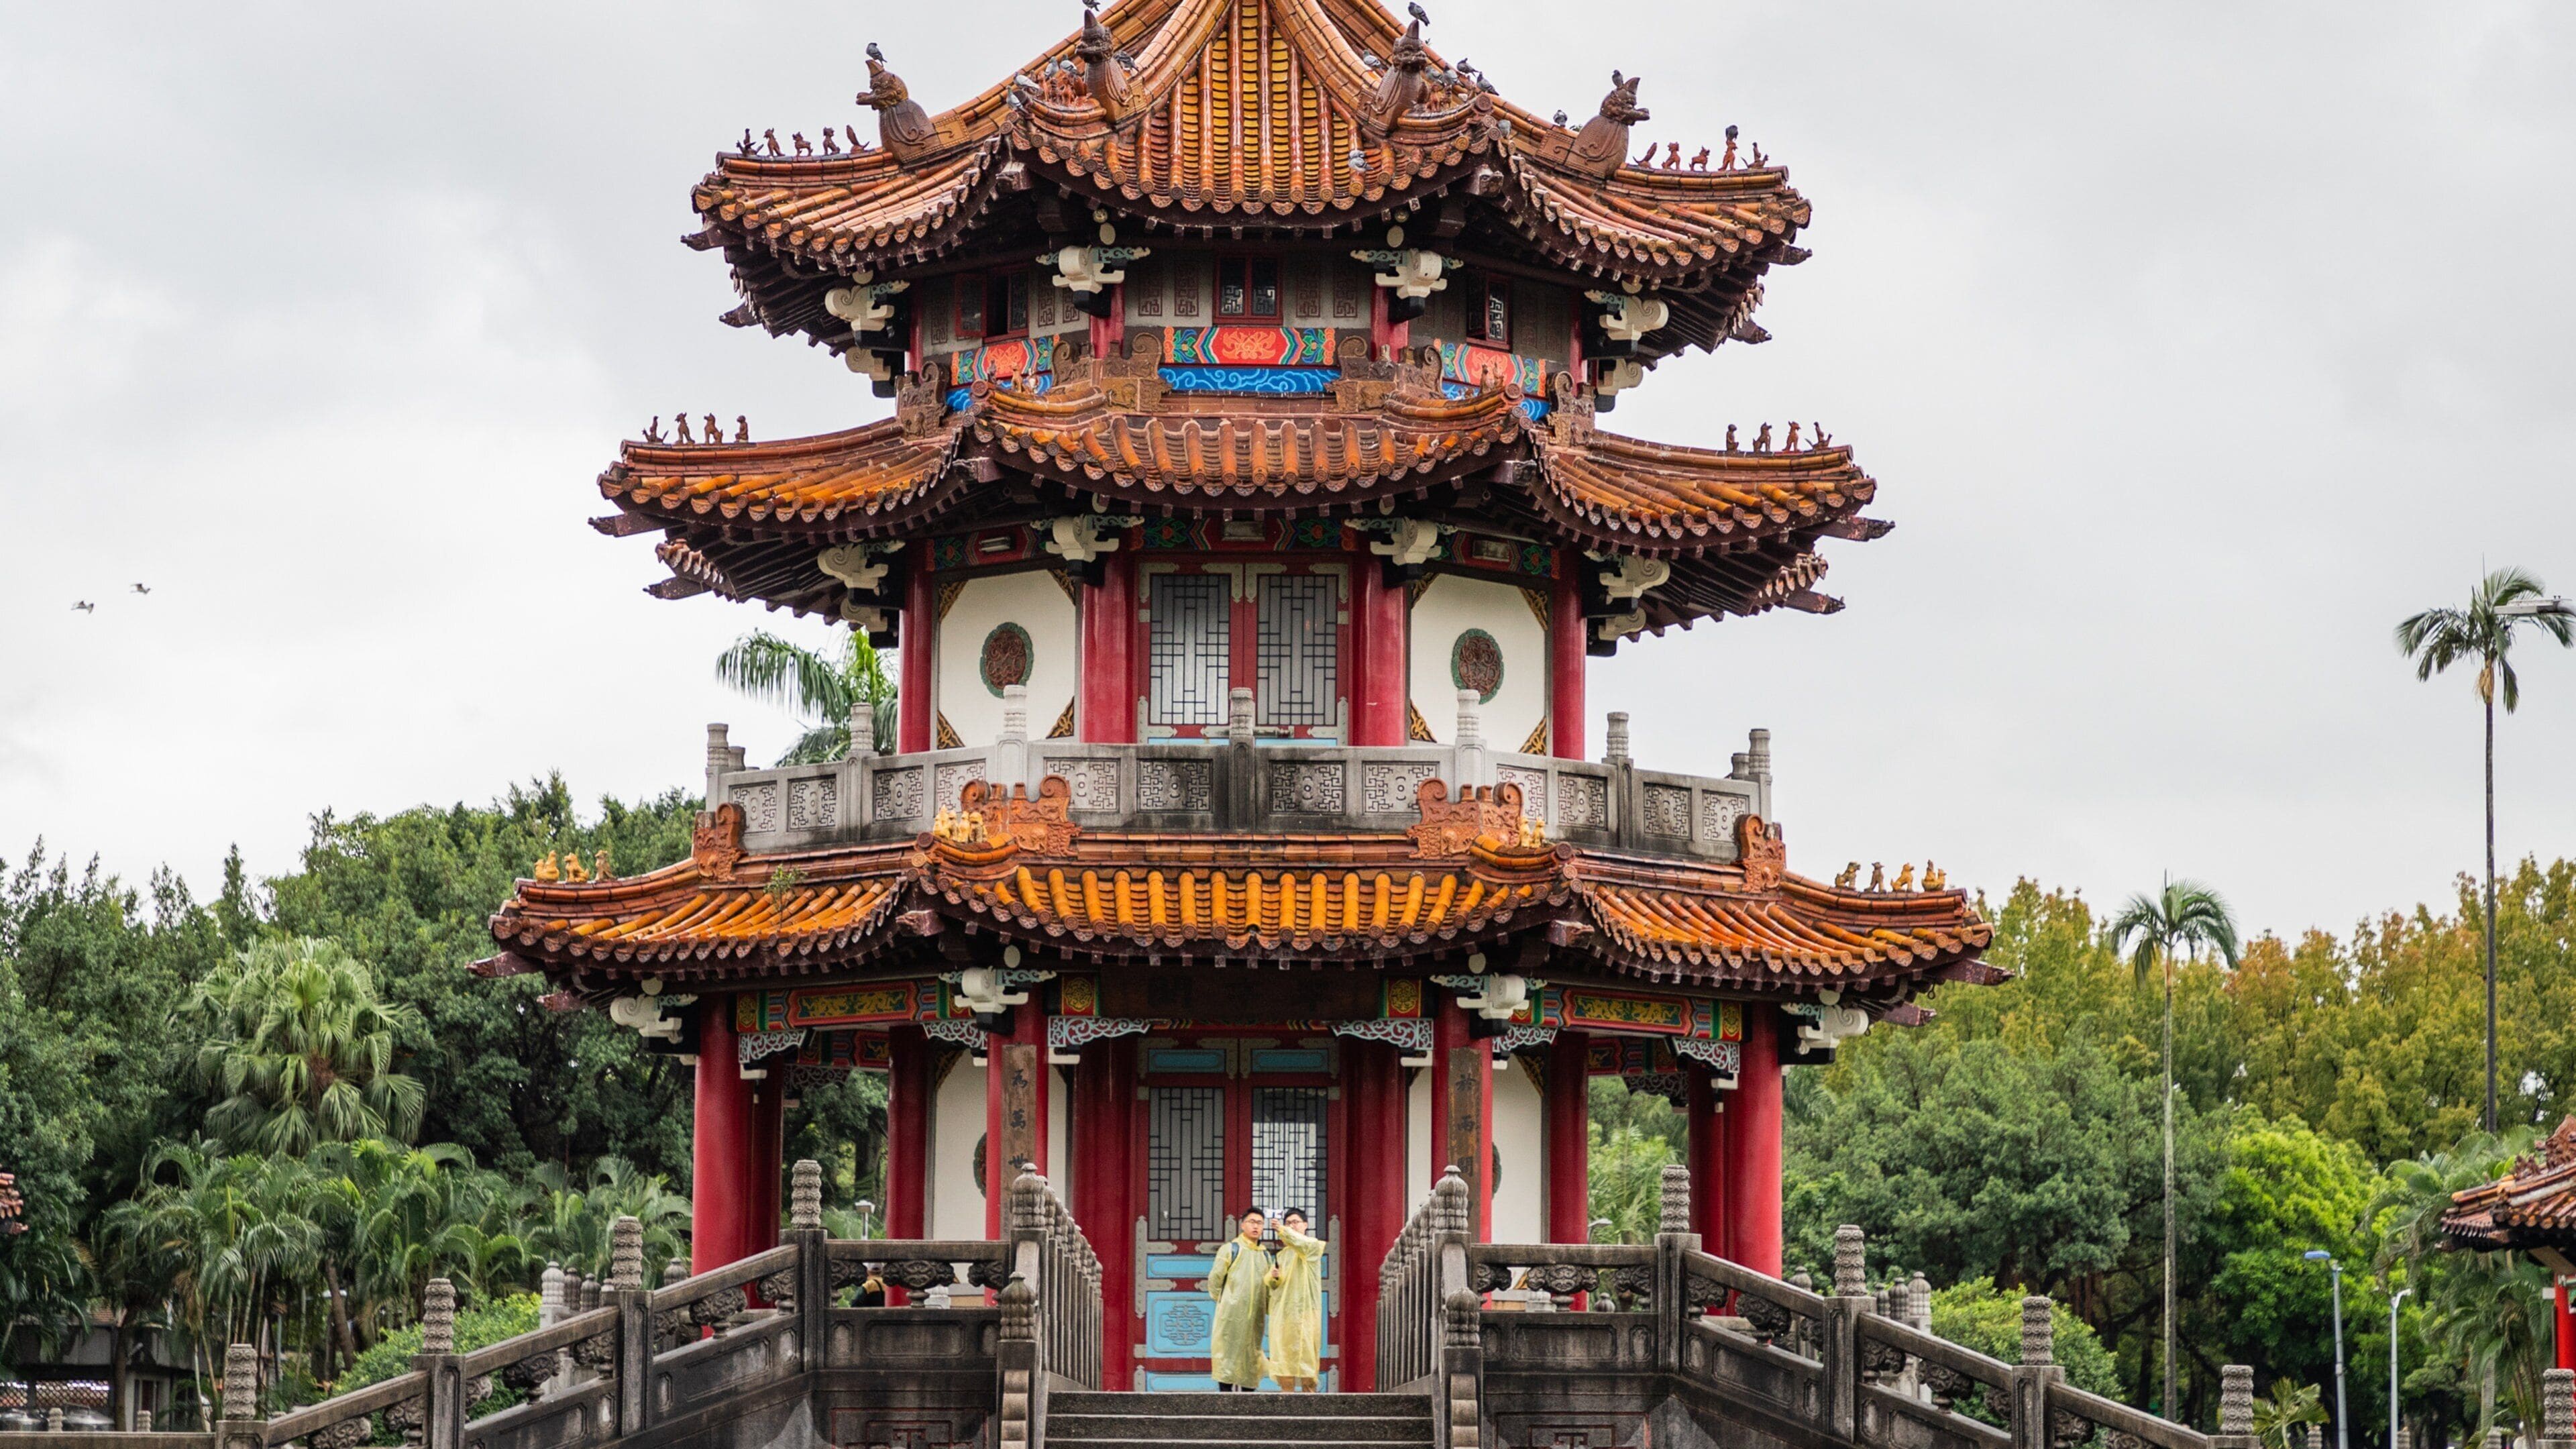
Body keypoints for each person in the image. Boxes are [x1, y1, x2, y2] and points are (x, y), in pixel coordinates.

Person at [1206, 1208, 1272, 1391]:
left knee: (1251, 1356)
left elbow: (1268, 1288)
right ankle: (1226, 1400)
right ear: (1243, 1225)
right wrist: (1225, 1301)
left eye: (1259, 1223)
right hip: (1231, 1314)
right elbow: (1215, 1280)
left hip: (1255, 1316)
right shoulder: (1231, 1249)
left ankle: (1247, 1403)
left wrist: (1269, 1308)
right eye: (1252, 1222)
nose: (1256, 1226)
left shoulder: (1265, 1255)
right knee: (1227, 1354)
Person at [1264, 1208, 1328, 1392]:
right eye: (1289, 1223)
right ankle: (1287, 1393)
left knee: (1306, 1351)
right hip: (1284, 1312)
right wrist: (1273, 1277)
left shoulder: (1312, 1247)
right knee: (1283, 1353)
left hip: (1306, 1310)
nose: (1292, 1226)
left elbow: (1301, 1243)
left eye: (1296, 1222)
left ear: (1305, 1226)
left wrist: (1283, 1230)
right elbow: (1273, 1285)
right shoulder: (1281, 1255)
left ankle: (1309, 1394)